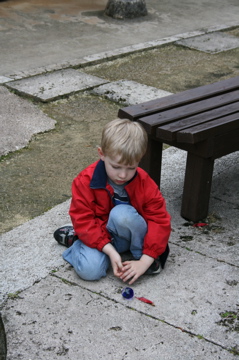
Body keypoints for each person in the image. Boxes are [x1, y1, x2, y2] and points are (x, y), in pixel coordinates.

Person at [54, 118, 171, 285]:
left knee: (122, 214)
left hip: (128, 234)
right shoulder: (84, 181)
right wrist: (109, 250)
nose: (123, 175)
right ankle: (76, 238)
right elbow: (83, 218)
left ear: (140, 159)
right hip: (99, 233)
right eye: (116, 167)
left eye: (131, 168)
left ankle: (141, 256)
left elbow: (159, 220)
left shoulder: (144, 182)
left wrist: (146, 260)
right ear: (102, 154)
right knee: (89, 271)